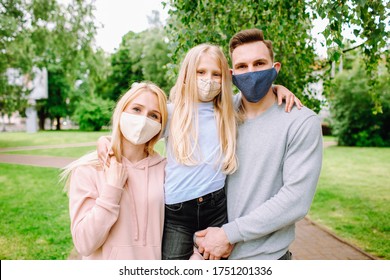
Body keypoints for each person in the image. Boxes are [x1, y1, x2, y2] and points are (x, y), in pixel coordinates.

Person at [97, 44, 300, 260]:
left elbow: (259, 99)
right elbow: (140, 128)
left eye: (216, 74)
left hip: (216, 208)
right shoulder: (172, 112)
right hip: (178, 212)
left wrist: (277, 88)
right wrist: (105, 139)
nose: (208, 79)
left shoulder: (230, 111)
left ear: (225, 79)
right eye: (200, 72)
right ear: (187, 75)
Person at [195, 28, 323, 260]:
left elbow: (295, 199)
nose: (251, 72)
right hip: (208, 253)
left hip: (266, 259)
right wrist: (111, 142)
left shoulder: (301, 122)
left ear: (275, 69)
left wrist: (229, 235)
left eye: (259, 63)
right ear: (232, 74)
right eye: (242, 67)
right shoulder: (218, 114)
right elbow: (168, 119)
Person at [60, 82, 168, 260]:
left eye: (154, 115)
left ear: (161, 125)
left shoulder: (165, 169)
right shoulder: (88, 169)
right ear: (122, 111)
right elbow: (83, 243)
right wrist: (112, 189)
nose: (143, 120)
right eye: (136, 109)